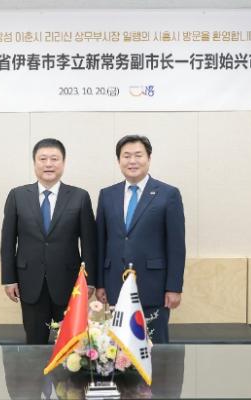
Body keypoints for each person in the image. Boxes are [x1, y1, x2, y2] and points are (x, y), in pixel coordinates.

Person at [0, 138, 96, 344]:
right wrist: (9, 278)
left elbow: (89, 243)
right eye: (42, 159)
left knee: (72, 345)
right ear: (34, 163)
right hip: (29, 282)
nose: (48, 164)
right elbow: (7, 242)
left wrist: (90, 281)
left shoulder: (80, 197)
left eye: (54, 159)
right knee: (34, 344)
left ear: (63, 162)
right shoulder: (17, 196)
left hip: (70, 283)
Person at [95, 135, 185, 343]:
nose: (132, 161)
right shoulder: (107, 195)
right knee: (116, 348)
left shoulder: (168, 194)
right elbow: (101, 242)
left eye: (138, 155)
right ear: (119, 161)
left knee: (155, 348)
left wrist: (174, 287)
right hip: (115, 286)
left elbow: (176, 246)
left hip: (153, 287)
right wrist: (100, 284)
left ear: (149, 158)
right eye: (126, 156)